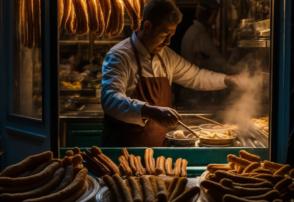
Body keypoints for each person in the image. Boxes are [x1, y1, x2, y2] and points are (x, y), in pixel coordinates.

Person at [101, 0, 242, 147]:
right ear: (148, 27)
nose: (168, 42)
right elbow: (110, 99)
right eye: (164, 35)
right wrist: (148, 111)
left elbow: (196, 76)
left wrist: (228, 80)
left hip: (159, 148)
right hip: (124, 148)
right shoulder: (119, 55)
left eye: (171, 35)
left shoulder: (166, 55)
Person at [181, 0, 227, 73]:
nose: (214, 22)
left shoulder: (190, 30)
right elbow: (220, 65)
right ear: (211, 14)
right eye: (214, 16)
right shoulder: (201, 37)